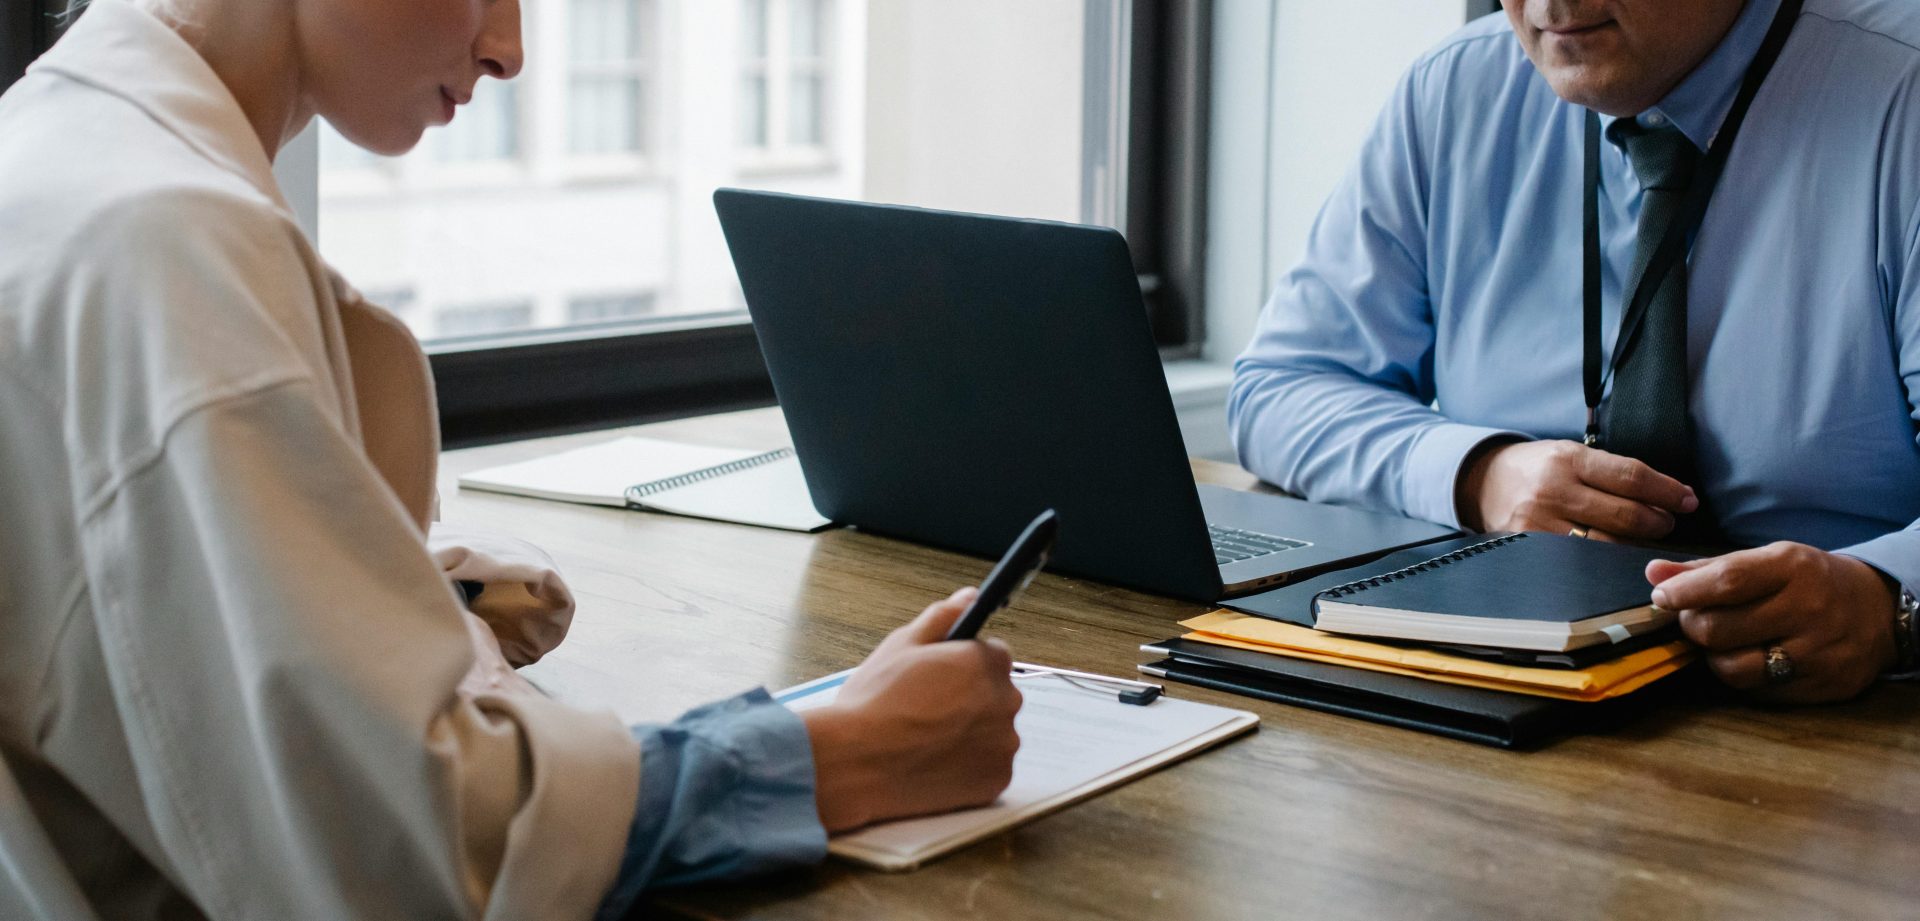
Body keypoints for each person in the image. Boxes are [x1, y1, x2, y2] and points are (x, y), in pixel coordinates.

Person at [0, 0, 1022, 918]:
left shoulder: (54, 152)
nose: (511, 48)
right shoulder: (170, 243)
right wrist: (838, 755)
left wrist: (375, 597)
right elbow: (406, 853)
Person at [1228, 0, 1920, 704]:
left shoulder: (1905, 93)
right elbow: (1282, 386)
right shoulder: (1455, 91)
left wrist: (1888, 599)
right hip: (1508, 692)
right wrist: (1479, 474)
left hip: (1845, 725)